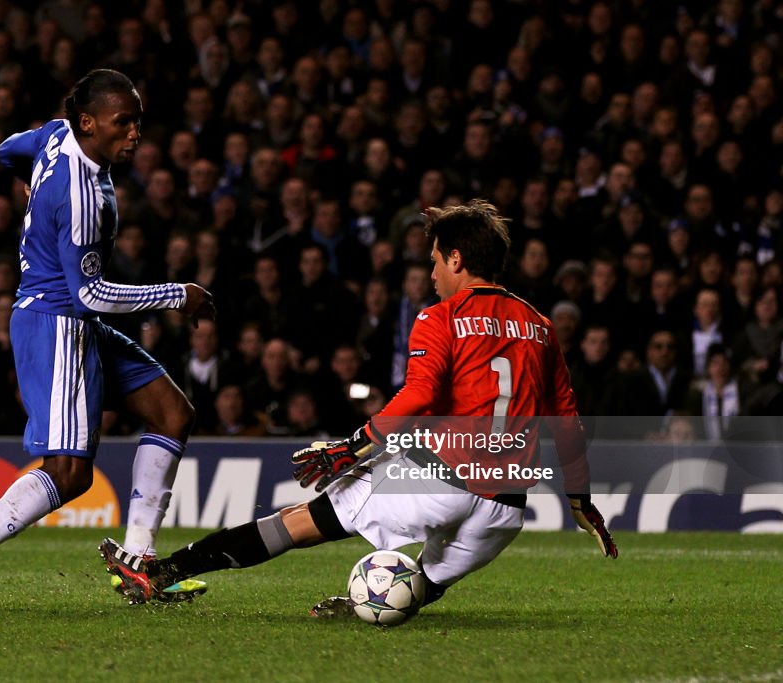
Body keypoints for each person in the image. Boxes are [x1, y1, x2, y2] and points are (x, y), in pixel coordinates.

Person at [101, 200, 618, 613]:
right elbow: (568, 423)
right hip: (504, 508)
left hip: (441, 481)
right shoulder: (540, 326)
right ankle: (373, 605)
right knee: (419, 586)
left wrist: (352, 447)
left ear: (456, 260)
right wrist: (579, 498)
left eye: (435, 259)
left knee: (306, 520)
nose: (432, 271)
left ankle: (160, 572)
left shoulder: (440, 317)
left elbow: (419, 396)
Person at [0, 69, 215, 609]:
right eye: (124, 124)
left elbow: (7, 150)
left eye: (138, 123)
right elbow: (90, 296)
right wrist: (176, 295)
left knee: (173, 414)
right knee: (69, 474)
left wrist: (23, 181)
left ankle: (139, 563)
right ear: (89, 122)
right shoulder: (80, 196)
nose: (135, 135)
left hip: (74, 322)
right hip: (59, 324)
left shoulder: (55, 134)